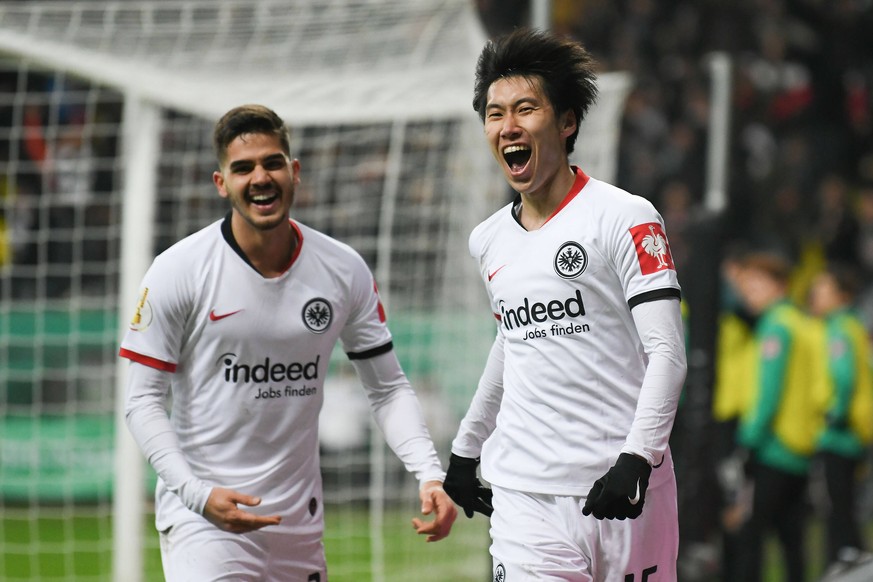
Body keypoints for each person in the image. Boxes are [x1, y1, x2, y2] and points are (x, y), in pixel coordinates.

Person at [118, 104, 457, 581]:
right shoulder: (178, 270)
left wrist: (429, 473)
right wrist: (195, 494)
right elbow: (141, 401)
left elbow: (387, 388)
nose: (260, 177)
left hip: (298, 524)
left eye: (272, 163)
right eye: (243, 168)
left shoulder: (342, 269)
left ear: (294, 172)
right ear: (221, 183)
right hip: (204, 521)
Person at [443, 28, 687, 581]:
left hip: (624, 487)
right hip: (525, 493)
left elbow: (667, 353)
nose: (507, 126)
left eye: (525, 109)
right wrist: (466, 447)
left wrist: (636, 458)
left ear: (567, 121)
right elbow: (513, 341)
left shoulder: (627, 217)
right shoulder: (488, 240)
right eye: (494, 112)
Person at [733, 252, 819, 582]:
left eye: (756, 283)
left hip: (773, 446)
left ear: (779, 286)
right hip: (799, 445)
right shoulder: (800, 321)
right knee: (792, 541)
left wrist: (748, 441)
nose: (748, 292)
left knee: (750, 536)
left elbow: (768, 393)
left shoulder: (775, 327)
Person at [808, 263, 873, 575]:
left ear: (841, 296)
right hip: (854, 431)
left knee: (839, 507)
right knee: (845, 504)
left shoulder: (838, 329)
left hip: (840, 433)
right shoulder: (853, 326)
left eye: (822, 288)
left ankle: (846, 565)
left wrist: (834, 416)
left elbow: (844, 378)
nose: (815, 295)